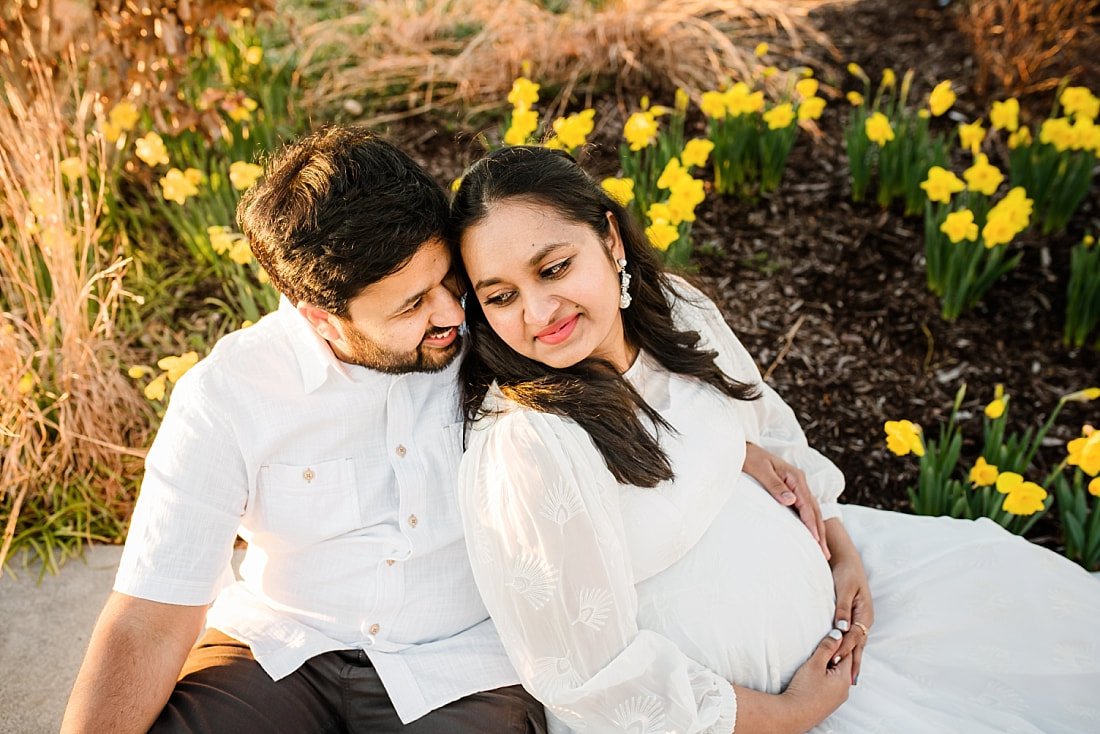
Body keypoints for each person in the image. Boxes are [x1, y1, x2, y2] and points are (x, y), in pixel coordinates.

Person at [449, 144, 1100, 734]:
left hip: (845, 620)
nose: (537, 313)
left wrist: (844, 552)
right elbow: (589, 678)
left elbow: (765, 422)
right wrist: (792, 714)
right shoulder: (526, 448)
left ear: (611, 240)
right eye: (501, 296)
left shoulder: (674, 309)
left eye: (555, 268)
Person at [60, 127, 547, 734]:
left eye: (447, 280)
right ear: (323, 318)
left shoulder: (504, 337)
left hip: (461, 664)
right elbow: (150, 617)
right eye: (411, 305)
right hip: (279, 648)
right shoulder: (227, 393)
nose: (450, 314)